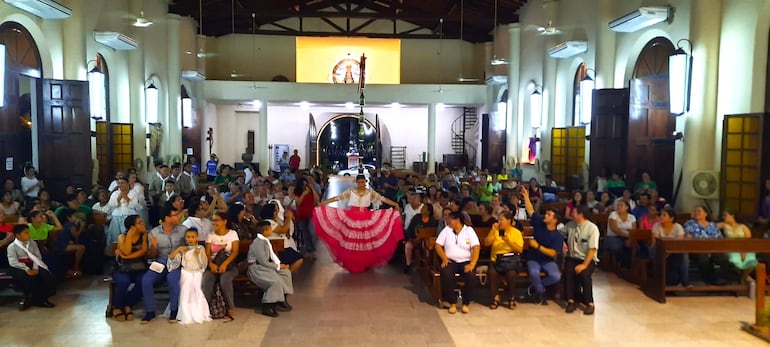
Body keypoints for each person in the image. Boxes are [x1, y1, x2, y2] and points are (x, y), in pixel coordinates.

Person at [315, 175, 402, 273]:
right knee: (354, 241)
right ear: (356, 182)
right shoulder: (351, 191)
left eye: (363, 182)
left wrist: (394, 204)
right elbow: (337, 198)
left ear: (366, 182)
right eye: (359, 182)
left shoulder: (370, 192)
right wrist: (324, 203)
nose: (361, 184)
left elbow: (383, 199)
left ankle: (366, 262)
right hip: (353, 218)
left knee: (365, 241)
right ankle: (354, 263)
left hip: (366, 218)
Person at [141, 207, 187, 324]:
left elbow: (191, 246)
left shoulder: (183, 230)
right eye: (175, 215)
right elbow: (151, 255)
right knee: (146, 280)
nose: (178, 217)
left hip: (176, 261)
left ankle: (174, 311)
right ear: (167, 218)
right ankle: (150, 311)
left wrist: (182, 250)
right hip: (160, 260)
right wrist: (154, 247)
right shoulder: (154, 232)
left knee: (172, 279)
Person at [521, 186, 563, 304]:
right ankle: (540, 293)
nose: (545, 216)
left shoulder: (557, 236)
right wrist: (526, 196)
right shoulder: (540, 223)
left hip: (548, 261)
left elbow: (553, 253)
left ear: (555, 220)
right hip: (533, 258)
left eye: (549, 215)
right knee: (534, 273)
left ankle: (534, 288)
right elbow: (530, 211)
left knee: (556, 276)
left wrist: (537, 246)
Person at [434, 211, 479, 314]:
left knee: (471, 275)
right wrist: (444, 258)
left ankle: (465, 303)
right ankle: (452, 302)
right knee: (446, 272)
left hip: (465, 261)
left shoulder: (469, 230)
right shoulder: (447, 230)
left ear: (457, 220)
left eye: (451, 219)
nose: (448, 221)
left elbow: (476, 247)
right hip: (451, 260)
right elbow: (438, 245)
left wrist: (473, 263)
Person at [247, 221, 294, 318]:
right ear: (265, 231)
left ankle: (282, 299)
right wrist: (278, 266)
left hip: (265, 267)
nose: (271, 230)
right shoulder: (258, 243)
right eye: (270, 229)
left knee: (285, 273)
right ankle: (268, 305)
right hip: (257, 268)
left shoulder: (265, 241)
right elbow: (263, 261)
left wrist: (280, 265)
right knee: (275, 281)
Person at [7, 224, 56, 310]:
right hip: (19, 266)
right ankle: (29, 297)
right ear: (18, 235)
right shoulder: (12, 246)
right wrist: (26, 269)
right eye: (26, 233)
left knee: (45, 275)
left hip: (33, 263)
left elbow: (37, 256)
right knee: (26, 277)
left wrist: (35, 267)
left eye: (29, 232)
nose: (29, 234)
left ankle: (42, 299)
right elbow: (13, 262)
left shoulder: (32, 243)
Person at [169, 228, 211, 324]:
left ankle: (199, 312)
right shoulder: (183, 249)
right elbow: (172, 259)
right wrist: (179, 249)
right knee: (185, 289)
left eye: (193, 237)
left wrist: (198, 254)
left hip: (197, 271)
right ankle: (184, 313)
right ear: (185, 238)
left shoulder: (200, 248)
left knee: (197, 288)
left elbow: (204, 263)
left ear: (197, 237)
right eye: (188, 237)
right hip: (186, 271)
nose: (191, 239)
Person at [202, 212, 240, 319]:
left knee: (225, 279)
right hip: (214, 264)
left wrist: (225, 264)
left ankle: (230, 307)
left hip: (229, 266)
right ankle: (206, 308)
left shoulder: (232, 234)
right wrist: (211, 264)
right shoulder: (210, 235)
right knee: (207, 279)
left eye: (217, 220)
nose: (214, 223)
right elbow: (207, 253)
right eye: (213, 220)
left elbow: (235, 252)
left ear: (224, 221)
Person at [563, 205, 599, 315]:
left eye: (573, 212)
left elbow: (592, 249)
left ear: (580, 214)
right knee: (568, 272)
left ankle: (589, 303)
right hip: (572, 257)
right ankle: (571, 301)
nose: (571, 214)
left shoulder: (592, 228)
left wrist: (584, 265)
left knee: (585, 274)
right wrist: (563, 242)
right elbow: (561, 235)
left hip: (587, 259)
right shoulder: (569, 225)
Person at [111, 215, 148, 321]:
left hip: (139, 267)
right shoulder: (122, 237)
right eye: (140, 222)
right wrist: (130, 235)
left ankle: (127, 304)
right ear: (132, 226)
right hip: (122, 268)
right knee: (124, 281)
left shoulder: (144, 235)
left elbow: (143, 251)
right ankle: (117, 307)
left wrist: (125, 256)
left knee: (143, 281)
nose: (143, 224)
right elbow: (126, 250)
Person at [484, 211, 523, 310]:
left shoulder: (516, 232)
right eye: (498, 219)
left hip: (510, 260)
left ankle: (511, 298)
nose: (499, 221)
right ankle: (495, 298)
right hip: (496, 260)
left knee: (512, 274)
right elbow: (486, 244)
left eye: (501, 219)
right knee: (492, 273)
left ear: (509, 220)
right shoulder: (495, 230)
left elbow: (519, 249)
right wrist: (493, 231)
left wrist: (508, 240)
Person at [683, 206, 727, 284]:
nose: (696, 213)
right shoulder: (690, 223)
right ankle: (710, 280)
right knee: (703, 258)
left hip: (713, 248)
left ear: (705, 214)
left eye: (699, 211)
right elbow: (689, 237)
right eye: (695, 211)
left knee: (722, 258)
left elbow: (720, 238)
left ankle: (720, 279)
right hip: (697, 249)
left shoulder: (712, 225)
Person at [650, 207, 689, 288]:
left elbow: (679, 242)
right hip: (658, 249)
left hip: (674, 250)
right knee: (656, 253)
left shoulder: (678, 227)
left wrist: (669, 252)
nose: (661, 217)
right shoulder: (656, 226)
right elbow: (655, 241)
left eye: (664, 215)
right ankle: (661, 282)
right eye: (661, 215)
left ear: (671, 218)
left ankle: (684, 282)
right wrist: (664, 251)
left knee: (684, 256)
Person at [718, 209, 757, 282]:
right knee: (734, 260)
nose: (723, 217)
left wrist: (743, 251)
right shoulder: (724, 225)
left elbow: (749, 241)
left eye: (725, 215)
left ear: (732, 215)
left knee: (751, 262)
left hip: (744, 248)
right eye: (723, 215)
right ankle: (742, 279)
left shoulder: (743, 226)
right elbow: (711, 227)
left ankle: (743, 278)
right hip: (731, 248)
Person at [105, 178, 143, 252]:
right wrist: (118, 199)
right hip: (117, 214)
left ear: (127, 183)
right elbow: (111, 204)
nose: (120, 185)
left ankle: (127, 251)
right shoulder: (115, 193)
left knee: (127, 234)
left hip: (129, 214)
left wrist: (125, 196)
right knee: (115, 234)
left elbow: (135, 205)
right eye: (119, 183)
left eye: (122, 183)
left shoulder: (133, 193)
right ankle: (115, 253)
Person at [403, 204, 437, 273]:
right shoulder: (416, 217)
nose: (422, 209)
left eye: (424, 208)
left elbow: (432, 232)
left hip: (426, 241)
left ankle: (428, 265)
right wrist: (411, 239)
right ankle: (408, 264)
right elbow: (410, 229)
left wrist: (422, 238)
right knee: (408, 246)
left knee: (428, 246)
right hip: (414, 239)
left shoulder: (432, 221)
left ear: (428, 212)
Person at [606, 200, 637, 268]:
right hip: (614, 236)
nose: (619, 207)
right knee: (618, 246)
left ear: (627, 207)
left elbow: (633, 231)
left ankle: (628, 267)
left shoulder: (632, 217)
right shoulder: (613, 214)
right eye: (618, 205)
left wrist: (629, 239)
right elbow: (614, 229)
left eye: (621, 205)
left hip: (628, 237)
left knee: (632, 246)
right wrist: (626, 235)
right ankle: (620, 264)